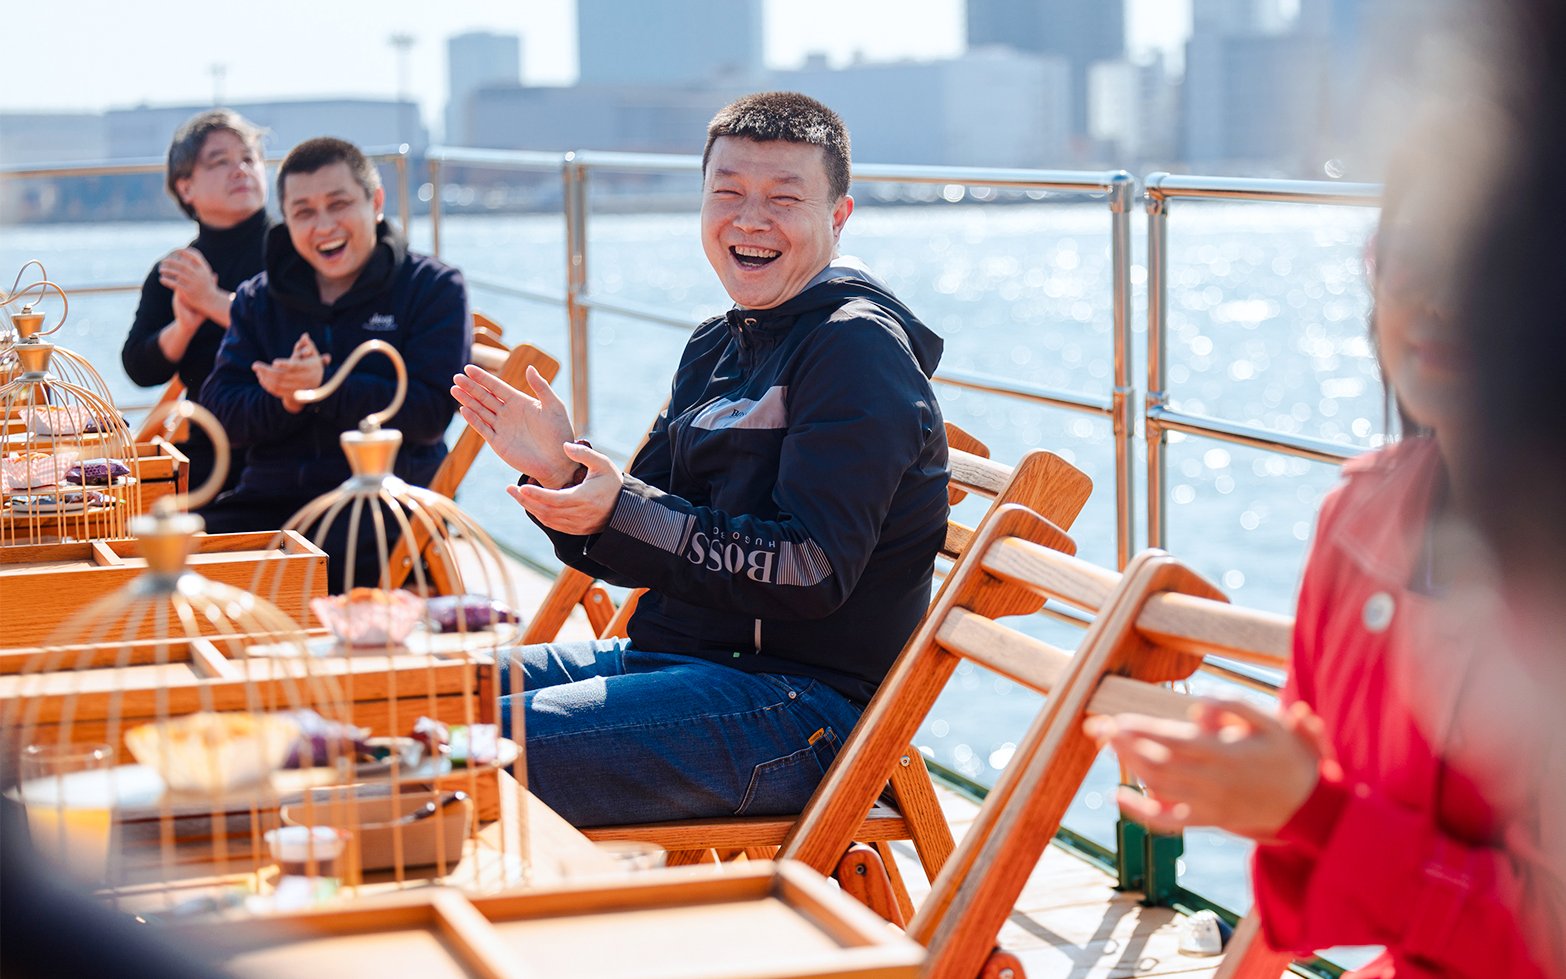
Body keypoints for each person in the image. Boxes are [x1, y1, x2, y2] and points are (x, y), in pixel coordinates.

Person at [1086, 122, 1563, 976]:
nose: (1439, 298)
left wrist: (1314, 812)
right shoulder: (1361, 517)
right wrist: (1259, 786)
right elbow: (1322, 831)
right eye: (1409, 257)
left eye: (1483, 263)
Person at [452, 92, 949, 828]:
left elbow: (810, 566)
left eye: (784, 198)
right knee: (400, 695)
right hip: (673, 661)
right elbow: (643, 531)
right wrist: (564, 473)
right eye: (728, 193)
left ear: (839, 216)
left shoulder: (857, 350)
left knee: (452, 750)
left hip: (798, 708)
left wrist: (622, 506)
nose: (750, 220)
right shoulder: (718, 343)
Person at [201, 137, 470, 588]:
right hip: (272, 499)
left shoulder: (433, 287)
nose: (324, 225)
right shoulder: (258, 298)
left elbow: (428, 415)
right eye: (304, 212)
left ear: (376, 203)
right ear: (286, 221)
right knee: (176, 563)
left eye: (339, 204)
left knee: (300, 573)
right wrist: (284, 401)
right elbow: (220, 413)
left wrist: (326, 387)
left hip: (386, 504)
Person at [121, 109, 270, 492]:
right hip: (209, 447)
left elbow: (297, 330)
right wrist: (183, 328)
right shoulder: (178, 269)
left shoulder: (293, 249)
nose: (241, 170)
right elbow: (139, 367)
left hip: (287, 441)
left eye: (249, 158)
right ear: (186, 188)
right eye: (220, 161)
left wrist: (212, 300)